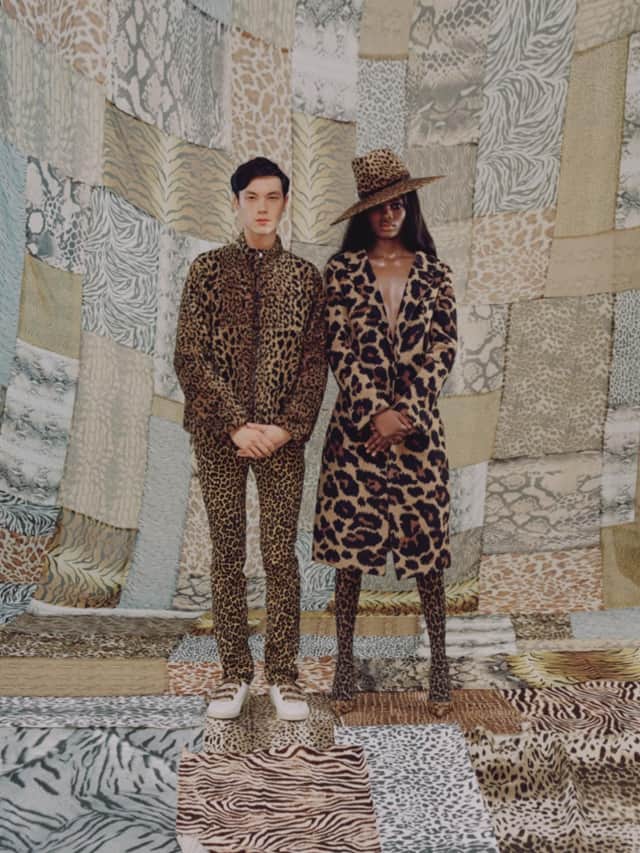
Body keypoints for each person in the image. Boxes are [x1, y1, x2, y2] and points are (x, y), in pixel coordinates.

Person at [174, 157, 327, 722]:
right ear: (236, 202)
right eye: (252, 197)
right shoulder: (208, 270)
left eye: (273, 197)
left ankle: (283, 674)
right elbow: (189, 356)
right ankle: (234, 672)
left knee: (281, 555)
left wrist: (285, 428)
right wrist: (236, 422)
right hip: (220, 434)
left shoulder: (305, 278)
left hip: (283, 438)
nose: (263, 208)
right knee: (228, 553)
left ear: (285, 202)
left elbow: (315, 363)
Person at [313, 148, 457, 714]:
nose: (389, 214)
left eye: (398, 203)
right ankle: (343, 665)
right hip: (356, 438)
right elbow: (337, 346)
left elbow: (443, 349)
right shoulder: (341, 271)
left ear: (410, 205)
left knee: (428, 557)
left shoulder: (435, 273)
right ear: (364, 213)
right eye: (378, 206)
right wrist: (376, 413)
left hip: (419, 439)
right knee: (350, 558)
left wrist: (406, 414)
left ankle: (440, 665)